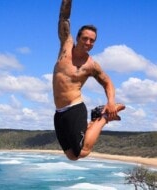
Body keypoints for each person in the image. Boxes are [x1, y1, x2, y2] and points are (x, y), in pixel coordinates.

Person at [53, 0, 125, 161]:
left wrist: (111, 102)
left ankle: (103, 118)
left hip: (74, 108)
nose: (88, 43)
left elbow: (107, 82)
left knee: (83, 152)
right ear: (77, 37)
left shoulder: (91, 65)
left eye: (92, 40)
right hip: (59, 112)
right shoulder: (66, 46)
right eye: (85, 38)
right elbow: (64, 18)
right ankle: (95, 118)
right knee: (72, 156)